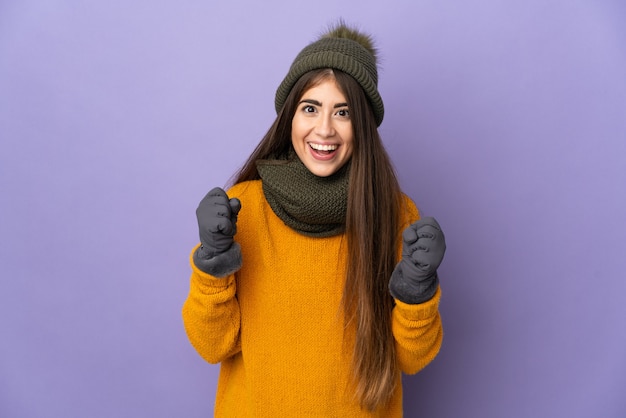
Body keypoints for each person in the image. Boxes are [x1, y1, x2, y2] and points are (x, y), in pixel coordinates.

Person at [182, 21, 446, 417]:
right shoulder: (243, 209)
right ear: (290, 115)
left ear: (364, 126)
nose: (325, 129)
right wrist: (212, 260)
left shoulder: (395, 215)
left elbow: (412, 359)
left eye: (343, 112)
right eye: (311, 108)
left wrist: (418, 288)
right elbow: (212, 345)